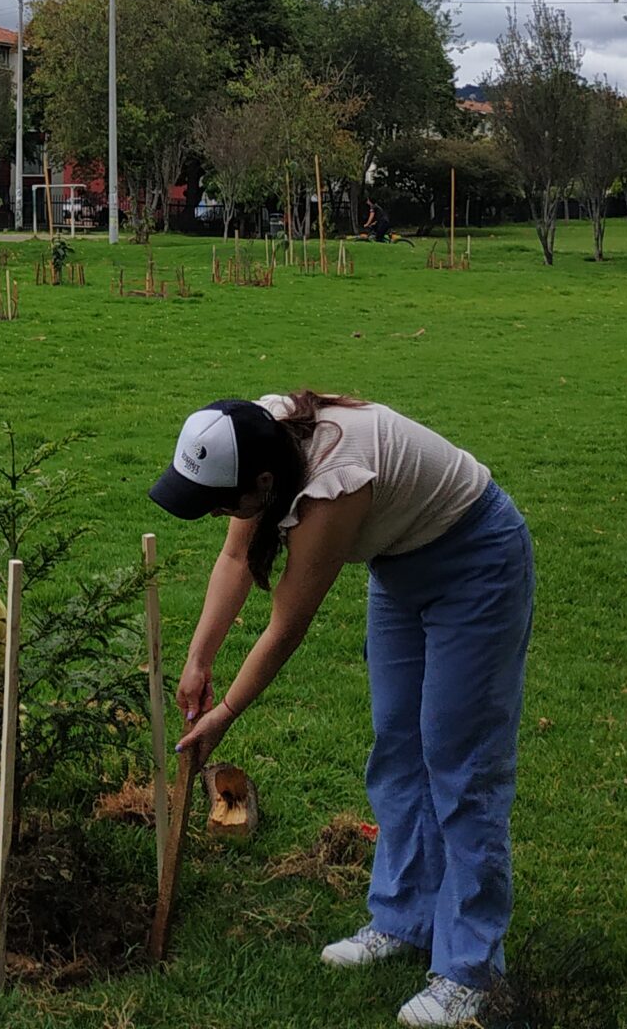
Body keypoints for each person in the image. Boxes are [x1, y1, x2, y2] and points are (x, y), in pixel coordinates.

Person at [153, 393, 533, 1029]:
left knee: (461, 764)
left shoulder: (331, 484)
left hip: (476, 561)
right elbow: (234, 558)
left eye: (224, 501)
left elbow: (286, 627)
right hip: (399, 564)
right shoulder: (256, 433)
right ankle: (405, 918)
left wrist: (225, 712)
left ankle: (470, 970)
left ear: (265, 486)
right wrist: (198, 661)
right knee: (398, 748)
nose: (222, 514)